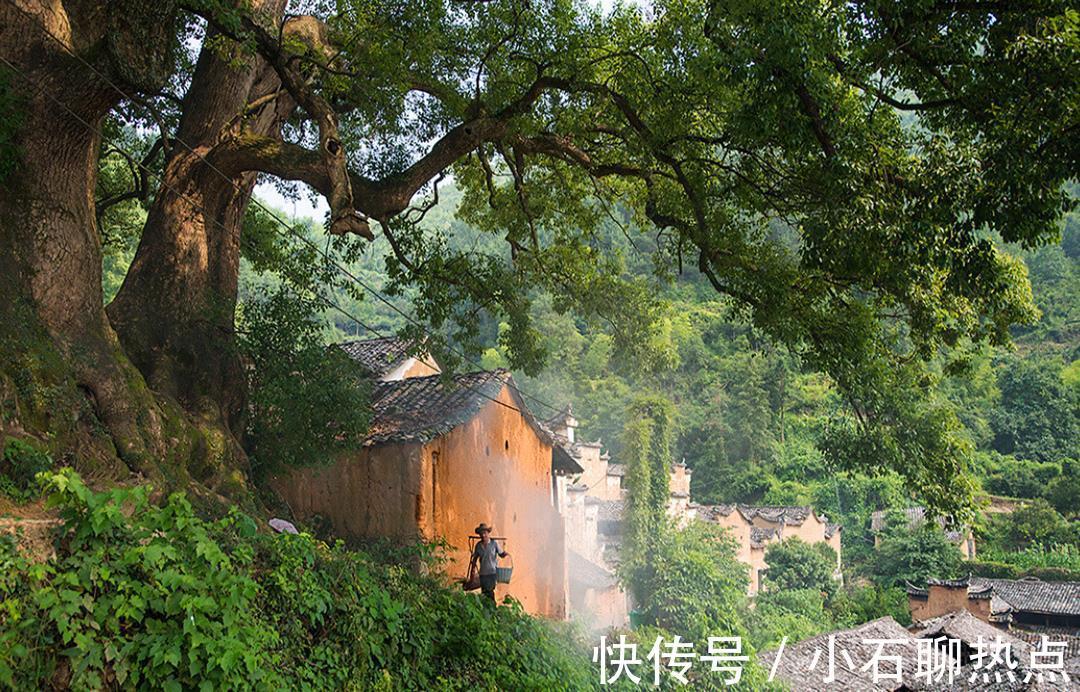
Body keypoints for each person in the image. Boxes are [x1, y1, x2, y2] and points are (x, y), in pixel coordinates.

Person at [469, 523, 509, 603]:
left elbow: (501, 554)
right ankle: (487, 610)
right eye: (481, 534)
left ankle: (492, 609)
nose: (483, 535)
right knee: (484, 593)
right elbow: (474, 559)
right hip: (483, 574)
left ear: (488, 533)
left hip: (492, 573)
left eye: (484, 533)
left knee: (490, 591)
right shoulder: (478, 546)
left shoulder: (494, 544)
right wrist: (472, 571)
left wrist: (504, 554)